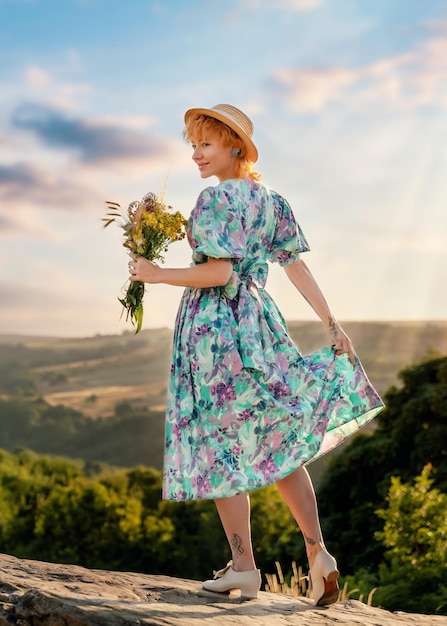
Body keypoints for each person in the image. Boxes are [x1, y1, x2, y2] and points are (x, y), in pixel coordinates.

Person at [128, 104, 384, 605]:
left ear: (235, 147)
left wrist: (157, 274)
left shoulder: (214, 199)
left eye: (205, 143)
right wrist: (334, 326)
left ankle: (244, 567)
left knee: (221, 445)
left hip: (214, 330)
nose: (196, 154)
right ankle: (319, 555)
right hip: (260, 324)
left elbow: (219, 273)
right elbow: (295, 268)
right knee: (277, 438)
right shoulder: (273, 202)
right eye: (193, 144)